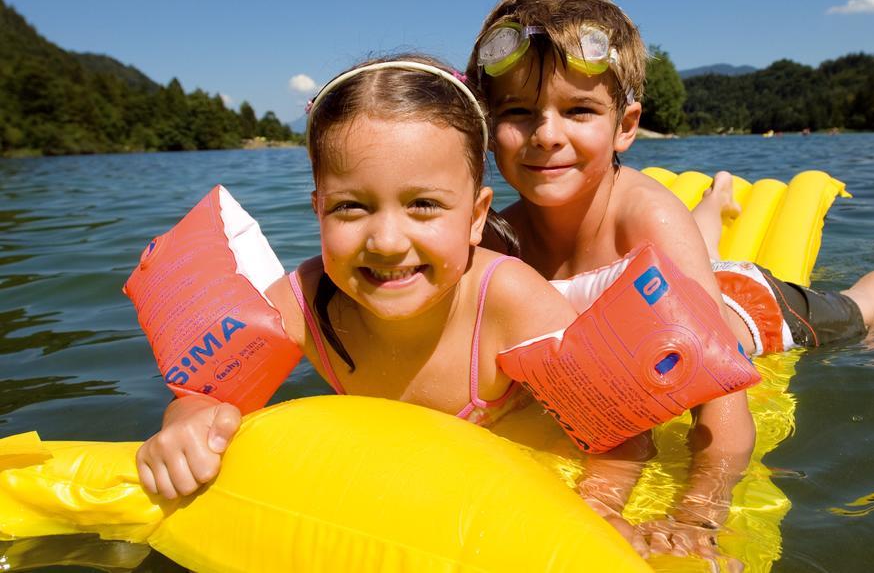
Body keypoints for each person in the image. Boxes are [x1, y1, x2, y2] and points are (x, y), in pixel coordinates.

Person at [135, 55, 578, 502]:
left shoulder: (509, 302)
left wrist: (603, 502)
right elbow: (210, 393)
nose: (385, 242)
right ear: (318, 211)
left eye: (423, 204)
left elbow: (618, 434)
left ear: (476, 217)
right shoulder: (304, 304)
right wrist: (186, 422)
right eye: (350, 207)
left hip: (516, 480)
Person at [466, 0, 757, 558]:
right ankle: (715, 205)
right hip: (626, 320)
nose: (547, 136)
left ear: (625, 126)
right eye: (519, 112)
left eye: (579, 110)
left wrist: (699, 513)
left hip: (752, 309)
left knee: (856, 309)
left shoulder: (646, 217)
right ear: (487, 130)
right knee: (685, 255)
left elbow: (724, 401)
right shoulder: (498, 236)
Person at [693, 170, 874, 351]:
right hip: (700, 278)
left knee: (864, 305)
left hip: (758, 309)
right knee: (699, 249)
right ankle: (716, 197)